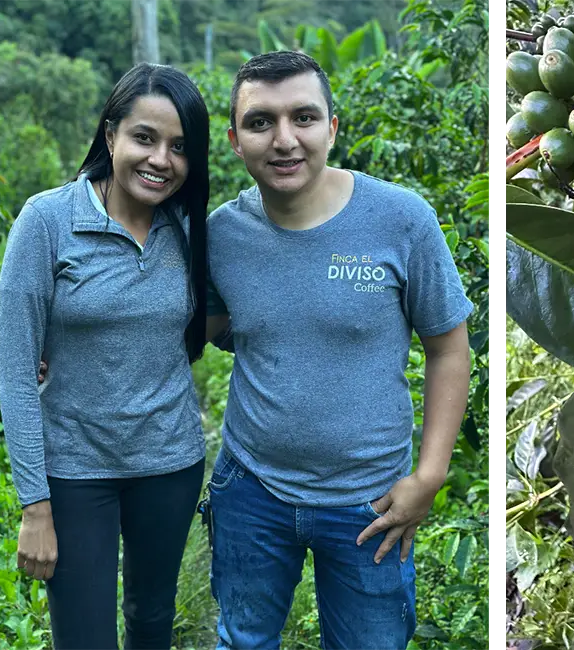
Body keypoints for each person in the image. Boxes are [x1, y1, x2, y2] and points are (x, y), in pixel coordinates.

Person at [201, 51, 474, 649]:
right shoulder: (220, 235)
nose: (284, 140)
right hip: (251, 489)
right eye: (260, 122)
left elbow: (450, 348)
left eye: (303, 117)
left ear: (332, 127)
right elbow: (204, 325)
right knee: (242, 641)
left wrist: (429, 475)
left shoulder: (401, 220)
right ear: (234, 140)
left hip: (370, 501)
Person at [0, 63, 211, 649]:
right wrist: (34, 505)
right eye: (145, 137)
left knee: (150, 620)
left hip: (169, 464)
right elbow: (14, 372)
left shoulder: (191, 228)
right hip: (73, 471)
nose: (160, 159)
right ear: (111, 134)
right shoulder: (47, 221)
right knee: (83, 635)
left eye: (180, 147)